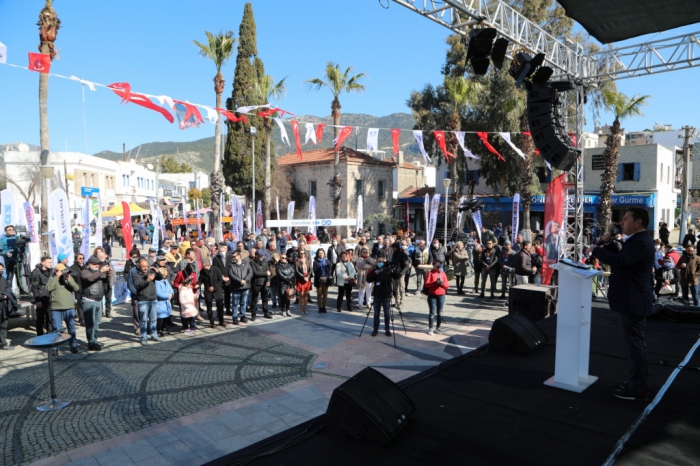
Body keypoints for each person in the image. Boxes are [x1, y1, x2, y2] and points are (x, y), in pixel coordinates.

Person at [589, 207, 655, 400]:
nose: (621, 222)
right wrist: (609, 245)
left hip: (633, 302)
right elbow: (622, 259)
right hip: (629, 301)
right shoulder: (635, 241)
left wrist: (597, 250)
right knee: (634, 345)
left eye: (626, 219)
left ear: (638, 222)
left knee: (635, 346)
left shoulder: (641, 242)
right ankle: (637, 382)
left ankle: (638, 387)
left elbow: (622, 262)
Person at [47, 263, 80, 354]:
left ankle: (73, 346)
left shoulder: (68, 278)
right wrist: (57, 277)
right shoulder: (52, 279)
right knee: (56, 329)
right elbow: (48, 288)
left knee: (71, 328)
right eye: (61, 271)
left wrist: (69, 279)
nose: (63, 273)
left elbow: (76, 288)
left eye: (64, 271)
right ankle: (55, 348)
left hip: (69, 307)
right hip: (56, 308)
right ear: (56, 271)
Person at [366, 251, 401, 337]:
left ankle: (387, 329)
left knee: (387, 314)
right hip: (377, 294)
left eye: (382, 261)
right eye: (379, 261)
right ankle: (375, 329)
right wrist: (374, 273)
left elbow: (397, 276)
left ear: (385, 260)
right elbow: (368, 279)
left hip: (386, 294)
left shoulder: (388, 269)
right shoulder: (375, 269)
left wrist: (392, 271)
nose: (381, 263)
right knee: (376, 314)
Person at [80, 256, 110, 351]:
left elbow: (105, 282)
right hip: (88, 301)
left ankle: (94, 340)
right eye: (94, 264)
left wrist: (108, 273)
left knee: (97, 323)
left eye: (98, 264)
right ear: (89, 264)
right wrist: (101, 271)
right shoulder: (85, 272)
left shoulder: (99, 273)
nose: (97, 265)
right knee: (90, 324)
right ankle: (91, 343)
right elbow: (90, 278)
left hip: (98, 301)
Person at [132, 258, 163, 345]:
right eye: (143, 266)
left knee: (154, 319)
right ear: (139, 266)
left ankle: (154, 335)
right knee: (143, 320)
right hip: (143, 300)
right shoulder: (136, 275)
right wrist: (148, 280)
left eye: (147, 266)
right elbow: (137, 286)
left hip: (153, 299)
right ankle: (144, 337)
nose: (146, 268)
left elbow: (160, 278)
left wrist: (157, 271)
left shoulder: (151, 272)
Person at [425, 260, 449, 335]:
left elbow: (447, 286)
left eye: (439, 266)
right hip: (432, 295)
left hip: (441, 295)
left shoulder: (442, 273)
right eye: (436, 266)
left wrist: (442, 283)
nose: (438, 268)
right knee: (432, 312)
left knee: (440, 313)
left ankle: (438, 328)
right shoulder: (430, 273)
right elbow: (426, 284)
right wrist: (434, 283)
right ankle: (431, 328)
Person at [200, 258, 226, 328]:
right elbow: (200, 280)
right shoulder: (202, 271)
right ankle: (212, 322)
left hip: (217, 290)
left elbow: (220, 280)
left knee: (220, 306)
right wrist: (198, 284)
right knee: (209, 307)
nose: (203, 267)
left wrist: (214, 287)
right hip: (208, 290)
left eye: (204, 266)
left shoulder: (216, 269)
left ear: (208, 265)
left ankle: (221, 320)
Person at [228, 250, 252, 324]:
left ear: (239, 256)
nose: (233, 258)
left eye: (234, 256)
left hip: (245, 287)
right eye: (232, 257)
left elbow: (250, 272)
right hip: (236, 287)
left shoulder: (246, 263)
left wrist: (245, 280)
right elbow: (231, 275)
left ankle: (242, 316)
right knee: (235, 303)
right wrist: (240, 281)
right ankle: (235, 317)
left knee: (243, 302)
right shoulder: (231, 265)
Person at [31, 256, 53, 335]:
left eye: (51, 262)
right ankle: (40, 336)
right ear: (42, 263)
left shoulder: (51, 271)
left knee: (50, 319)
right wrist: (37, 300)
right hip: (41, 298)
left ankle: (50, 336)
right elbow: (34, 287)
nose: (51, 264)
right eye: (49, 262)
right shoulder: (37, 273)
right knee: (40, 320)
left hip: (50, 298)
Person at [249, 250, 273, 320]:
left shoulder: (265, 261)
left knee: (265, 299)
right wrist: (266, 274)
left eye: (262, 255)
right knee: (254, 299)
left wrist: (268, 280)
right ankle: (253, 314)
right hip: (256, 283)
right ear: (256, 256)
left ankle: (266, 312)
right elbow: (255, 273)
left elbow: (268, 271)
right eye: (260, 256)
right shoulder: (252, 262)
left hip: (264, 283)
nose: (262, 257)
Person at [155, 255, 174, 337]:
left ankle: (163, 329)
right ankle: (159, 330)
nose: (167, 273)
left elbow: (170, 288)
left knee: (166, 316)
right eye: (166, 272)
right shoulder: (157, 282)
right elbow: (158, 293)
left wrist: (171, 294)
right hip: (161, 303)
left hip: (167, 302)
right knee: (160, 317)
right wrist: (167, 296)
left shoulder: (165, 280)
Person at [124, 250, 142, 335]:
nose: (135, 257)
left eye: (136, 256)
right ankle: (137, 327)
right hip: (135, 292)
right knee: (136, 311)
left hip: (144, 292)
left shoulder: (143, 263)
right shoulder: (129, 265)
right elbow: (126, 275)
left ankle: (145, 326)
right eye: (133, 256)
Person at [213, 242, 233, 316]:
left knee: (227, 296)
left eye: (223, 251)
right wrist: (222, 277)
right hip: (220, 280)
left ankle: (228, 309)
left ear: (226, 250)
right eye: (220, 251)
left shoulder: (230, 257)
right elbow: (215, 269)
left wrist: (229, 277)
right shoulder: (216, 258)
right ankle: (219, 311)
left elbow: (232, 268)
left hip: (228, 280)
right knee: (219, 297)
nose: (222, 252)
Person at [0, 263, 16, 350]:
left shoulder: (3, 279)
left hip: (3, 307)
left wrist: (8, 295)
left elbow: (7, 289)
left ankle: (3, 343)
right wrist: (3, 297)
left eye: (1, 269)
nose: (1, 271)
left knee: (4, 325)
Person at [93, 247, 113, 319]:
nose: (101, 258)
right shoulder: (96, 264)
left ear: (105, 256)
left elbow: (113, 273)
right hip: (100, 283)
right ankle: (100, 312)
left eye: (102, 256)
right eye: (100, 256)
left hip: (108, 283)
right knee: (100, 299)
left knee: (108, 299)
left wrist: (112, 281)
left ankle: (108, 312)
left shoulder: (108, 262)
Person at [390, 242, 410, 308]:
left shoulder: (403, 254)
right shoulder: (394, 254)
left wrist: (402, 273)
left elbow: (407, 265)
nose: (392, 249)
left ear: (395, 248)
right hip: (394, 274)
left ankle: (402, 302)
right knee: (395, 289)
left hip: (400, 274)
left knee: (401, 288)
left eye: (393, 248)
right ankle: (396, 301)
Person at [313, 249, 332, 313]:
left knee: (325, 294)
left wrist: (326, 277)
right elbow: (315, 271)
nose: (321, 254)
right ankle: (320, 307)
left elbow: (329, 270)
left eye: (322, 253)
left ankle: (324, 307)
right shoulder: (315, 262)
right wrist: (320, 277)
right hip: (319, 280)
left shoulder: (327, 261)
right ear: (317, 254)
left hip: (326, 280)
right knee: (319, 294)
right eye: (319, 253)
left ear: (324, 254)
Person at [69, 253, 85, 326]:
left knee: (83, 303)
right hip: (77, 287)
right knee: (79, 303)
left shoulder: (85, 266)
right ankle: (81, 319)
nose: (82, 259)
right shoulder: (73, 267)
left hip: (85, 287)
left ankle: (84, 317)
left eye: (83, 258)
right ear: (76, 259)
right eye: (80, 258)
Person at [295, 249, 313, 315]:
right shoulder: (297, 261)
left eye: (303, 253)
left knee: (306, 294)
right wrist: (303, 277)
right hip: (300, 279)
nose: (302, 254)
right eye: (301, 253)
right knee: (301, 295)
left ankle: (305, 308)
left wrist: (308, 277)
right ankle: (301, 308)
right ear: (299, 254)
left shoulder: (307, 261)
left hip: (307, 279)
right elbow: (297, 271)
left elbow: (310, 270)